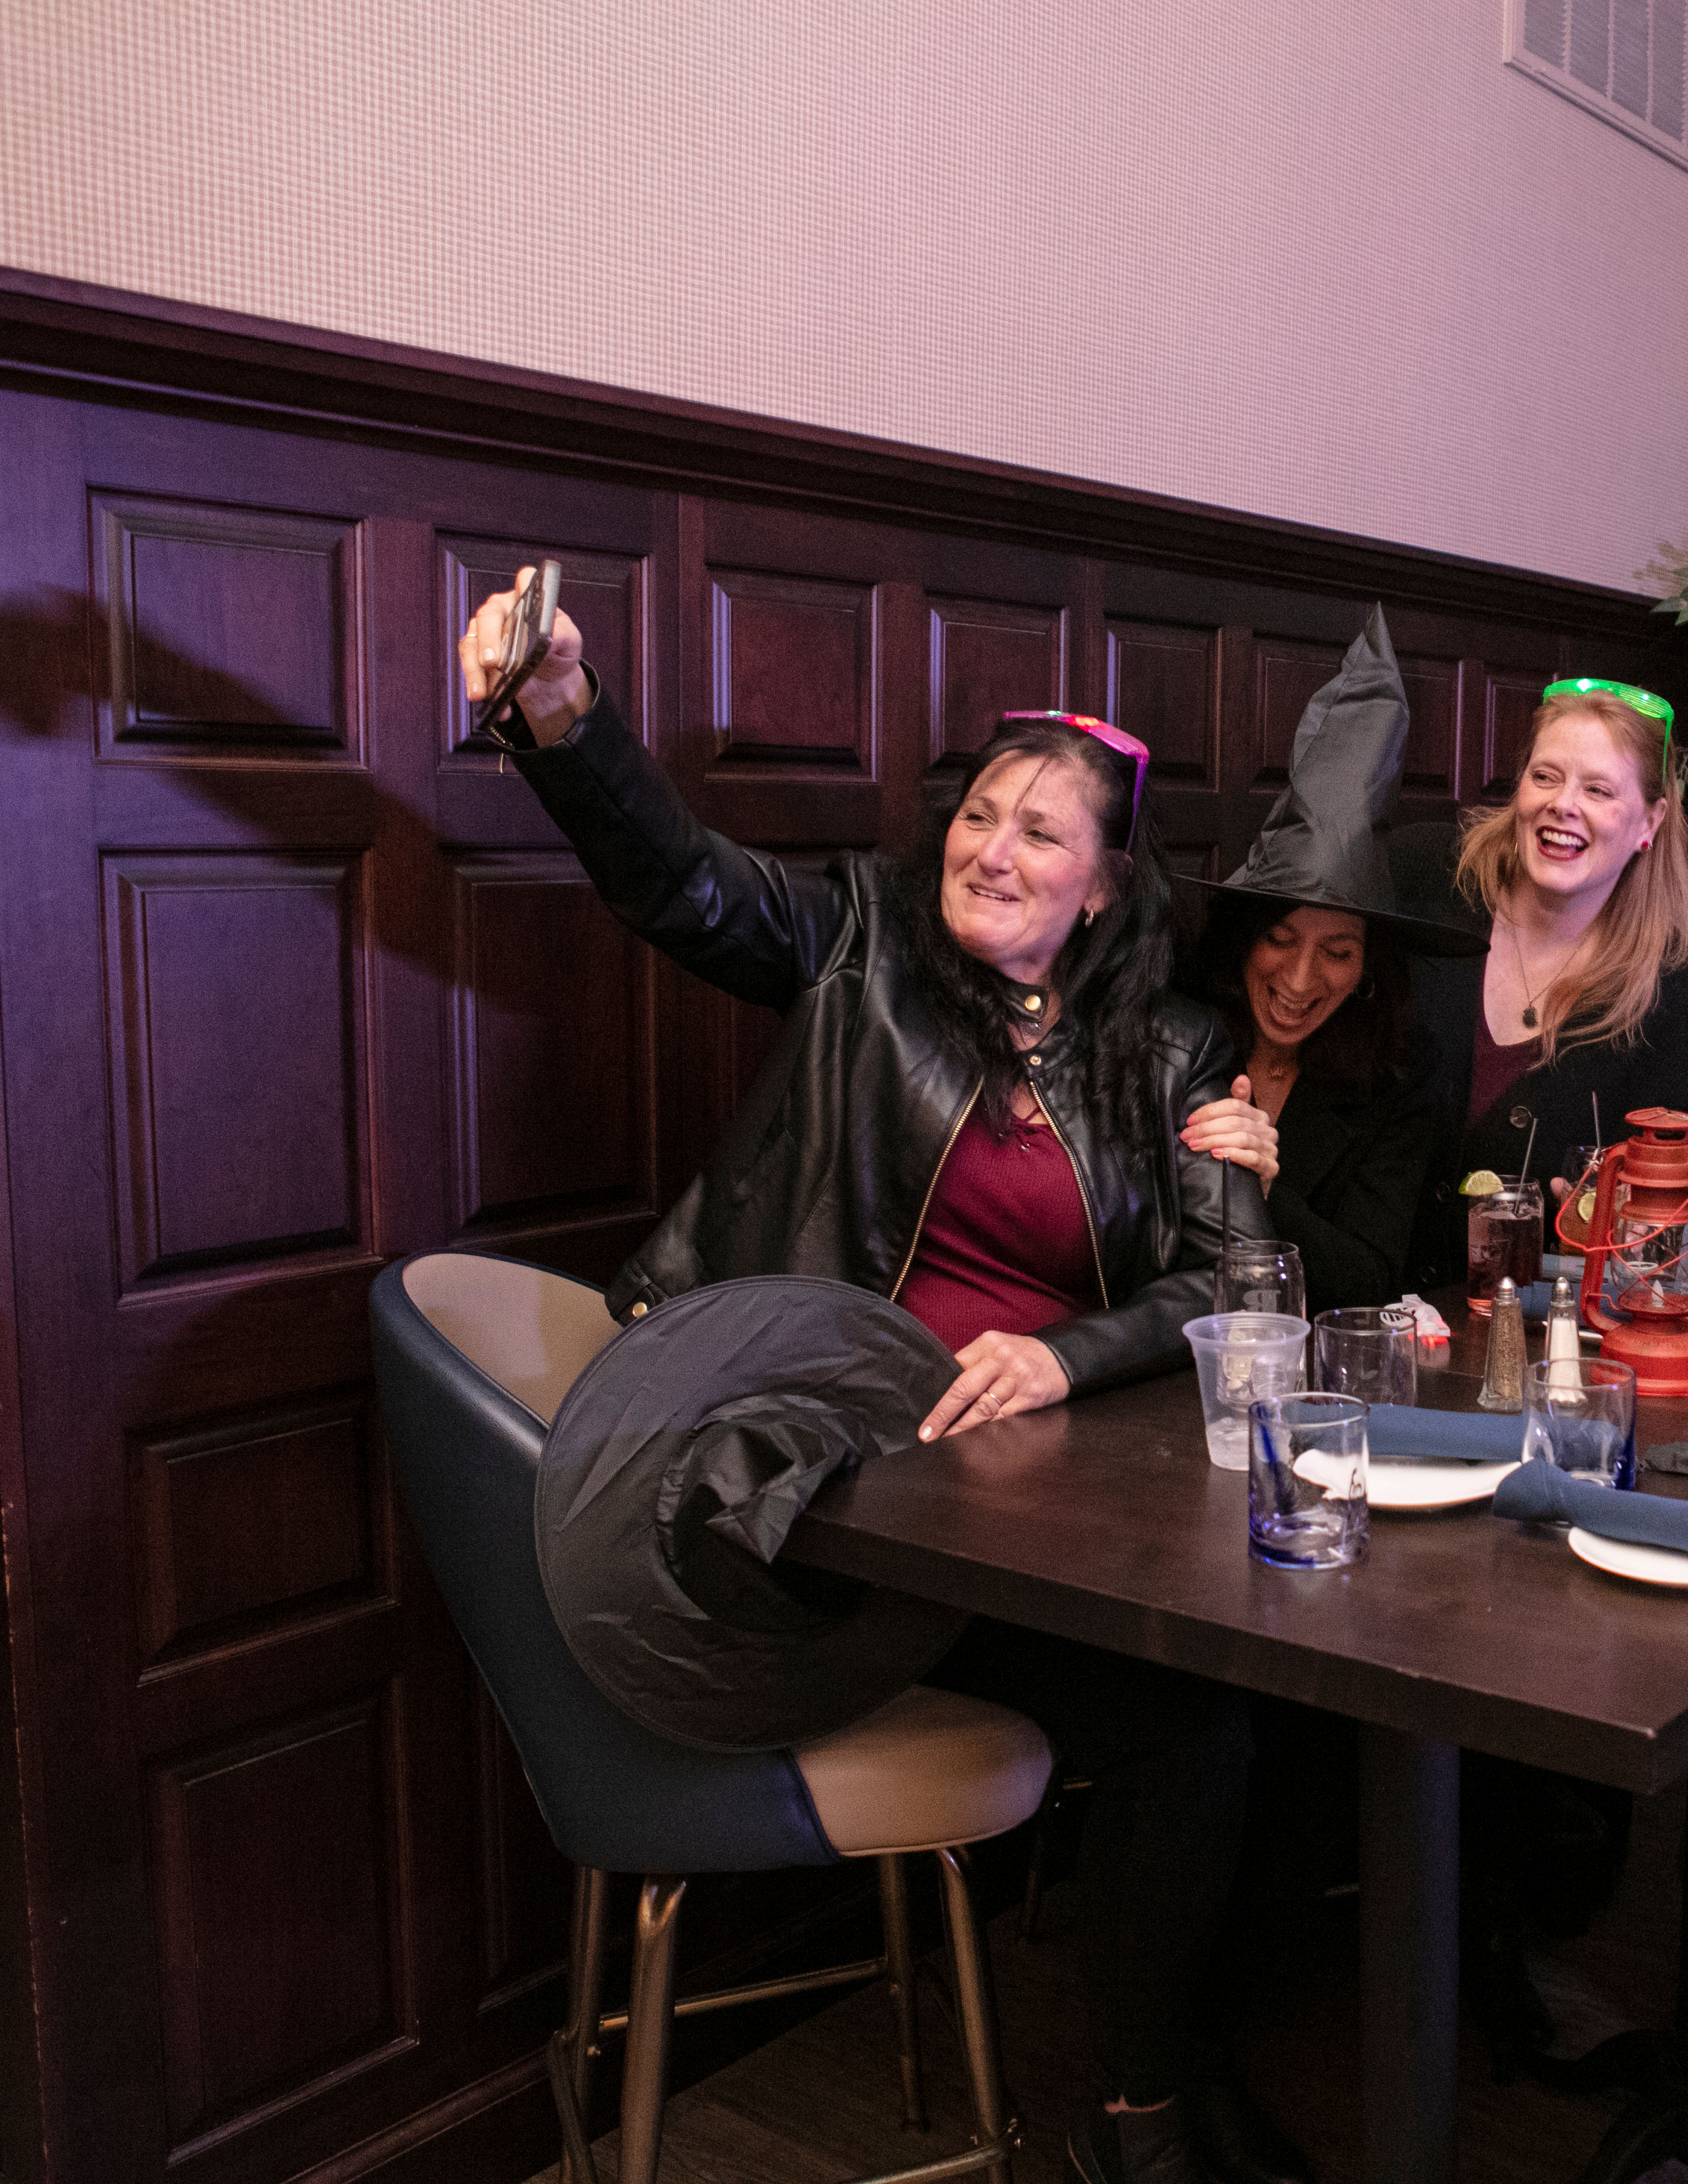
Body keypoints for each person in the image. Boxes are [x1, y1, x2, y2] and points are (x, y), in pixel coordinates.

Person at [457, 575, 1290, 2184]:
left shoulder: (1175, 1051)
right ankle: (1152, 2113)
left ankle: (1161, 2085)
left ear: (1108, 888)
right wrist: (560, 713)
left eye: (1047, 834)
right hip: (807, 1488)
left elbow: (1216, 1285)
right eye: (984, 814)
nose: (998, 850)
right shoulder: (854, 949)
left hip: (1032, 1512)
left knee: (1226, 1712)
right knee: (1196, 1725)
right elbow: (676, 882)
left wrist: (1062, 1351)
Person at [1182, 608, 1481, 1310]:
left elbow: (1370, 1281)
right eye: (1281, 939)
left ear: (1370, 966)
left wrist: (1260, 1190)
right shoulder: (1175, 1030)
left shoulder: (1399, 1077)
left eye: (1339, 952)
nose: (1300, 978)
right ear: (1242, 939)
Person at [1409, 677, 1688, 1275]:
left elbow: (1661, 1231)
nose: (1563, 804)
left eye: (1598, 790)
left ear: (1649, 822)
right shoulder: (1424, 878)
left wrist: (1615, 1227)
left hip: (1537, 1330)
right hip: (1362, 1304)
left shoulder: (1669, 995)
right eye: (1545, 777)